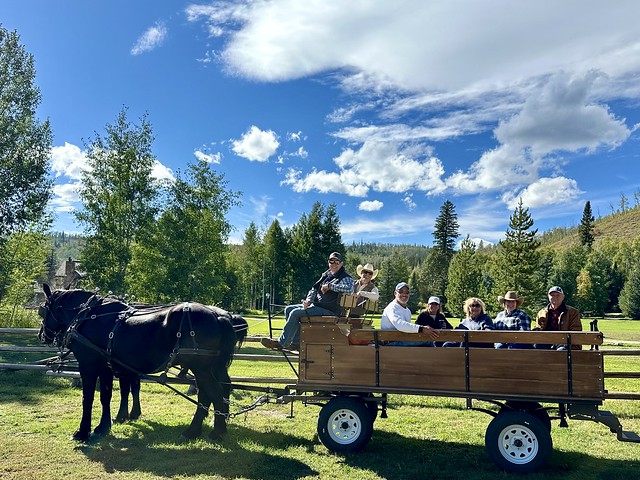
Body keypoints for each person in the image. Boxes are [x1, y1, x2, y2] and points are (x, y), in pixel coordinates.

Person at [261, 252, 354, 351]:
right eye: (332, 261)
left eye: (337, 262)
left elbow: (349, 289)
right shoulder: (326, 275)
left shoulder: (345, 277)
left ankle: (282, 343)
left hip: (330, 311)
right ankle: (296, 343)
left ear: (341, 264)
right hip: (317, 306)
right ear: (328, 262)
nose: (334, 264)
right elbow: (314, 289)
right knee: (288, 309)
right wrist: (308, 300)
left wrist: (330, 286)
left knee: (295, 313)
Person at [534, 286, 583, 350]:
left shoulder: (572, 312)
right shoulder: (541, 313)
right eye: (552, 295)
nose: (555, 297)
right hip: (546, 342)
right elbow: (538, 330)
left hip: (565, 343)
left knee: (561, 350)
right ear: (548, 297)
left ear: (563, 297)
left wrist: (561, 340)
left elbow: (576, 332)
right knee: (536, 346)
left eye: (558, 295)